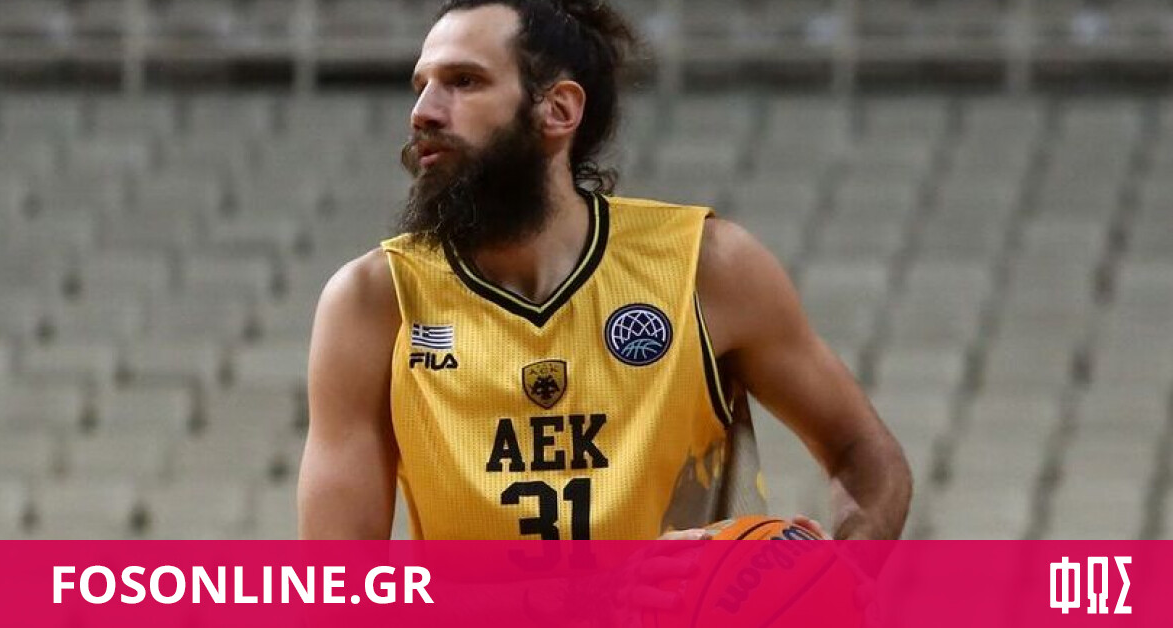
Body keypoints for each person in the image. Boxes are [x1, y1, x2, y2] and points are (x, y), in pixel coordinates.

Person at [298, 0, 911, 541]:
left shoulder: (706, 266)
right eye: (421, 85)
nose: (423, 111)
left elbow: (865, 455)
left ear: (558, 109)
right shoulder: (374, 300)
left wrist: (839, 580)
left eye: (463, 81)